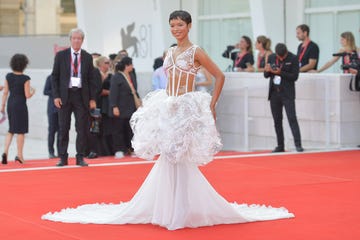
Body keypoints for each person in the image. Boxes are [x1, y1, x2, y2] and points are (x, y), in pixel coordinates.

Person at [42, 10, 294, 230]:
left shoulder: (197, 51)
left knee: (178, 156)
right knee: (168, 157)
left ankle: (178, 211)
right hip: (167, 106)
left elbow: (219, 76)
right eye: (172, 25)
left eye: (180, 25)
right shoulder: (170, 52)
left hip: (185, 108)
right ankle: (170, 209)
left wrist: (212, 104)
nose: (176, 29)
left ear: (189, 26)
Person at [51, 28, 97, 167]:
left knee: (81, 128)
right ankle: (63, 158)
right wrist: (56, 96)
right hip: (65, 96)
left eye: (79, 38)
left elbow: (91, 79)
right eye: (74, 38)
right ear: (70, 39)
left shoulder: (88, 57)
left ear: (82, 41)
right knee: (63, 127)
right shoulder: (61, 55)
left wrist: (92, 98)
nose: (76, 41)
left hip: (81, 96)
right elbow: (54, 77)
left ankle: (80, 157)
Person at [264, 43, 304, 153]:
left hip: (287, 93)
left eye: (283, 57)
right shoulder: (271, 57)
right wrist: (267, 70)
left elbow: (294, 77)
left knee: (292, 118)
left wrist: (280, 72)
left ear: (286, 52)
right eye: (279, 57)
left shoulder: (293, 58)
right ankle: (280, 145)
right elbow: (266, 75)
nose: (280, 58)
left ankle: (298, 144)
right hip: (274, 93)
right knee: (277, 120)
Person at [1, 54, 35, 164]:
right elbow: (27, 95)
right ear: (24, 65)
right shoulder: (25, 78)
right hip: (20, 105)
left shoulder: (8, 76)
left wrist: (2, 106)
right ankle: (19, 155)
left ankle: (5, 151)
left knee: (11, 129)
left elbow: (5, 92)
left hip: (10, 104)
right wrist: (33, 92)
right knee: (21, 131)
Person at [109, 57, 138, 157]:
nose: (132, 66)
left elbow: (134, 90)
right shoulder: (117, 76)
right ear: (127, 65)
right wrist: (114, 106)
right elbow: (113, 92)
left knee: (130, 129)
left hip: (130, 106)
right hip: (120, 107)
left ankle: (131, 148)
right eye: (131, 64)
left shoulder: (131, 75)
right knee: (118, 129)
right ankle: (119, 149)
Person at [43, 74, 59, 159]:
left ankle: (61, 151)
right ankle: (51, 152)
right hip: (52, 108)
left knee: (61, 131)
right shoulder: (50, 77)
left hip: (62, 109)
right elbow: (45, 91)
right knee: (52, 131)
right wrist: (56, 92)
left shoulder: (64, 78)